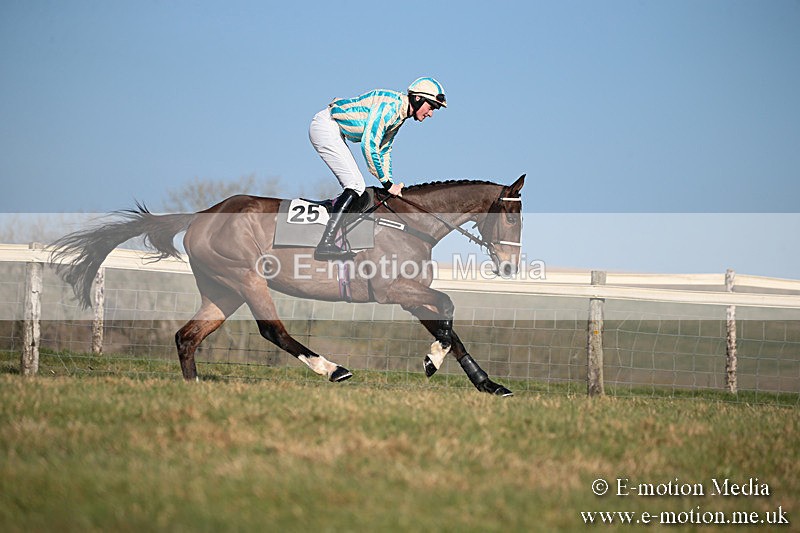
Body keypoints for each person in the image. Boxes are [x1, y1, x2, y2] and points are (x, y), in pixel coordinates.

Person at [309, 77, 447, 260]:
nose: (431, 114)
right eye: (431, 107)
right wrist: (387, 183)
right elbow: (369, 145)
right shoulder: (391, 108)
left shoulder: (400, 115)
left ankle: (333, 222)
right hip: (326, 127)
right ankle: (325, 243)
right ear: (418, 99)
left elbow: (385, 149)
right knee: (356, 185)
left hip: (335, 130)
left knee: (355, 184)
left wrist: (390, 181)